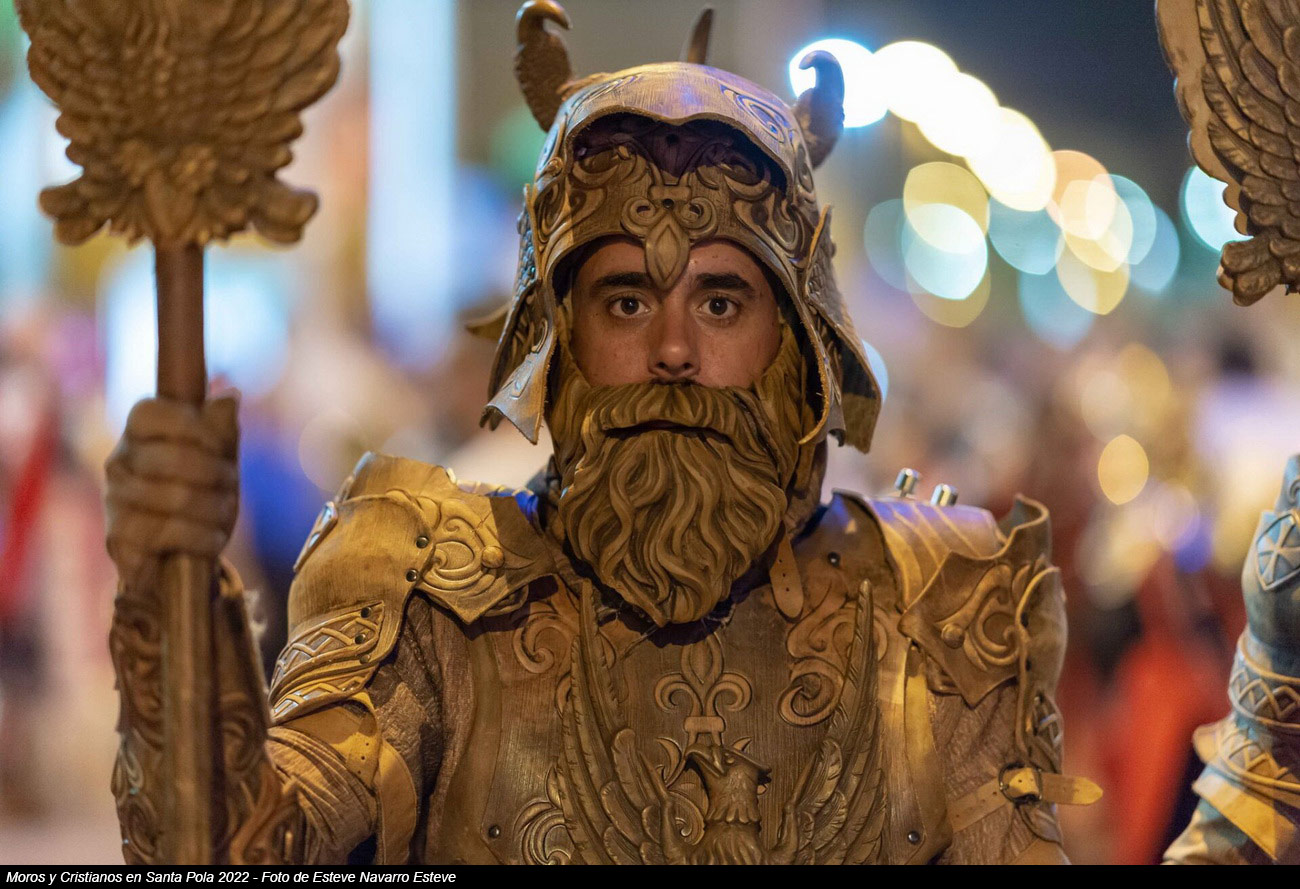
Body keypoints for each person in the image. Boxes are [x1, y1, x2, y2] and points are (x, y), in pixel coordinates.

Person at [102, 2, 1290, 865]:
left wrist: (1273, 722)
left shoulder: (940, 605)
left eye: (721, 301)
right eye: (626, 300)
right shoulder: (421, 583)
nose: (673, 347)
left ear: (797, 337)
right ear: (560, 334)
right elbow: (237, 847)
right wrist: (174, 584)